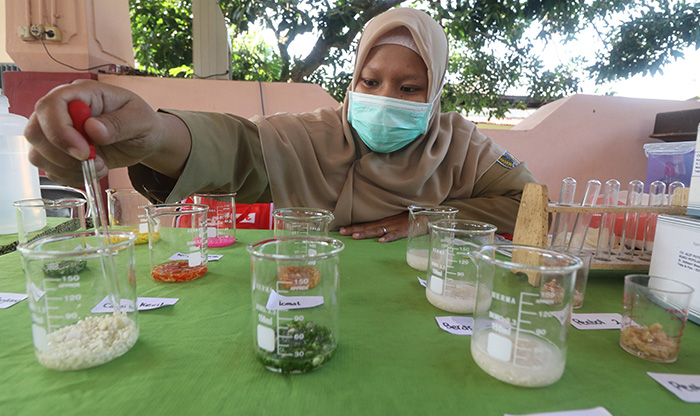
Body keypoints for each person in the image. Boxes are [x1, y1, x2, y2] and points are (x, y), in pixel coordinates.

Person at [24, 7, 538, 242]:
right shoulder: (306, 136)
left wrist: (424, 221)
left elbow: (530, 203)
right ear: (352, 82)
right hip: (307, 294)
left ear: (436, 92)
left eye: (409, 89)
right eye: (371, 81)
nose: (384, 99)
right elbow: (238, 149)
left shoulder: (461, 146)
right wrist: (154, 134)